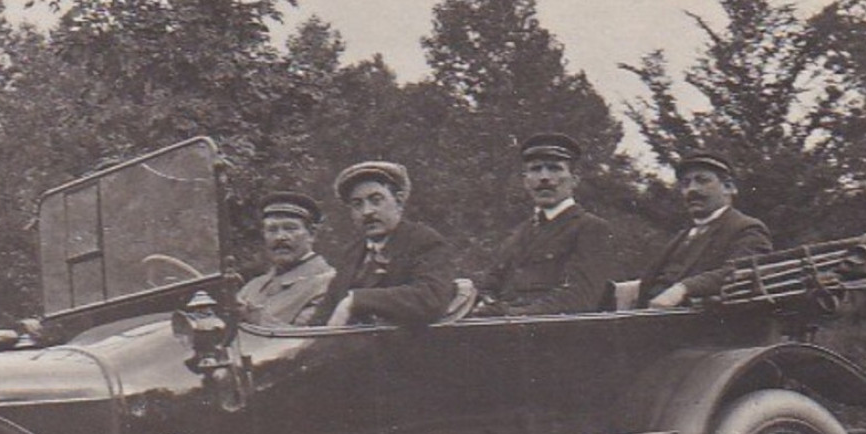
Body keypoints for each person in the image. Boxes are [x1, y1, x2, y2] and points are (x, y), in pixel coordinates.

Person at [477, 133, 615, 315]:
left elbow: (580, 298)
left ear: (574, 180)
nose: (544, 177)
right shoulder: (517, 234)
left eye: (554, 169)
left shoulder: (591, 228)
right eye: (535, 169)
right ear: (525, 181)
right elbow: (489, 287)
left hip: (562, 335)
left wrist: (509, 313)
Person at [313, 161, 456, 326]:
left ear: (399, 200)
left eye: (376, 200)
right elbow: (326, 312)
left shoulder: (423, 241)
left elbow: (430, 299)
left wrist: (357, 300)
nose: (367, 211)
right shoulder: (352, 253)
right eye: (357, 204)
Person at [637, 151, 773, 308]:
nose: (691, 190)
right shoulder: (683, 236)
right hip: (650, 319)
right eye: (685, 184)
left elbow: (742, 273)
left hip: (704, 326)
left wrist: (683, 288)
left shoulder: (747, 228)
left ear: (728, 187)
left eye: (702, 181)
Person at [237, 191, 336, 326]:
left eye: (290, 228)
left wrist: (253, 316)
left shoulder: (329, 284)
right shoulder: (252, 287)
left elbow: (306, 341)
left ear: (312, 234)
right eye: (272, 230)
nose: (280, 237)